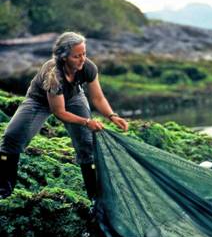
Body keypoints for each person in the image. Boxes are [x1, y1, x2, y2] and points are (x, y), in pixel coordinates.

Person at [0, 31, 128, 200]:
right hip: (39, 101)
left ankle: (96, 198)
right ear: (64, 57)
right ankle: (4, 190)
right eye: (76, 56)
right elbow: (58, 112)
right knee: (11, 138)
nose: (82, 59)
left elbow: (98, 97)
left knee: (87, 145)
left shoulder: (88, 67)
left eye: (84, 53)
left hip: (73, 96)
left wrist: (112, 116)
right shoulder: (54, 74)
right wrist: (87, 121)